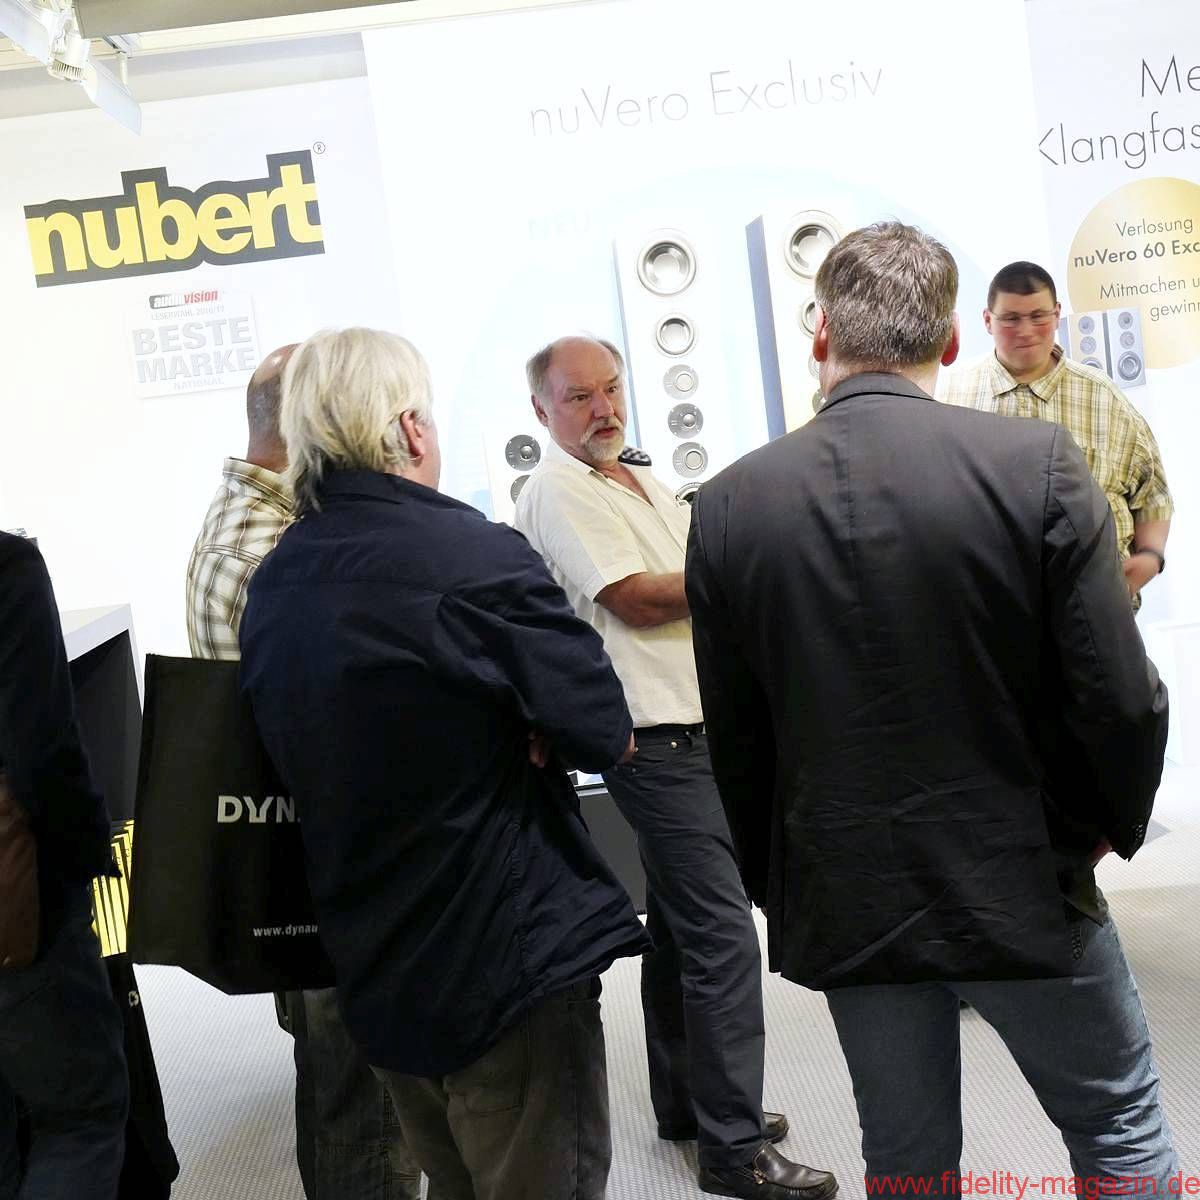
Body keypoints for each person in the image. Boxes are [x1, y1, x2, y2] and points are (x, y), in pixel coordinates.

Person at [685, 221, 1178, 1197]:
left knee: (905, 1159)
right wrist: (1102, 829)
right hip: (1024, 875)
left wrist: (784, 884)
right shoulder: (1036, 465)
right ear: (953, 339)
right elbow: (1121, 698)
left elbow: (736, 740)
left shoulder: (733, 504)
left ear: (820, 334)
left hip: (851, 890)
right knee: (1118, 1129)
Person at [239, 326, 651, 1200]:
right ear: (410, 428)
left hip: (377, 960)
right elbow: (603, 729)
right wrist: (527, 721)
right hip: (504, 960)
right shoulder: (471, 555)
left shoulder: (275, 584)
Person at [515, 335, 837, 1200]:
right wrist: (747, 573)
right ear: (542, 411)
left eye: (611, 389)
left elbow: (692, 572)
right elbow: (634, 596)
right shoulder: (556, 487)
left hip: (696, 730)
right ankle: (734, 1151)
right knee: (723, 937)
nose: (604, 409)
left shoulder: (637, 477)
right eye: (579, 397)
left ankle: (690, 1106)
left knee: (679, 929)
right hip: (651, 740)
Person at [185, 345, 423, 1200]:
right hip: (327, 865)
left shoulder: (252, 520)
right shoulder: (276, 552)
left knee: (339, 1083)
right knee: (362, 1099)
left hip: (298, 856)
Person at [0, 531, 129, 1199]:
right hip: (21, 912)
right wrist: (90, 855)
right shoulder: (7, 568)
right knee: (79, 1120)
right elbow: (42, 750)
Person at [939, 260, 1172, 606]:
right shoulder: (948, 397)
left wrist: (1151, 556)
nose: (1026, 331)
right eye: (1011, 318)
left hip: (1097, 608)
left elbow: (1152, 494)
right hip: (988, 610)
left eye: (1038, 316)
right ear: (987, 320)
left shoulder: (1103, 396)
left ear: (1057, 314)